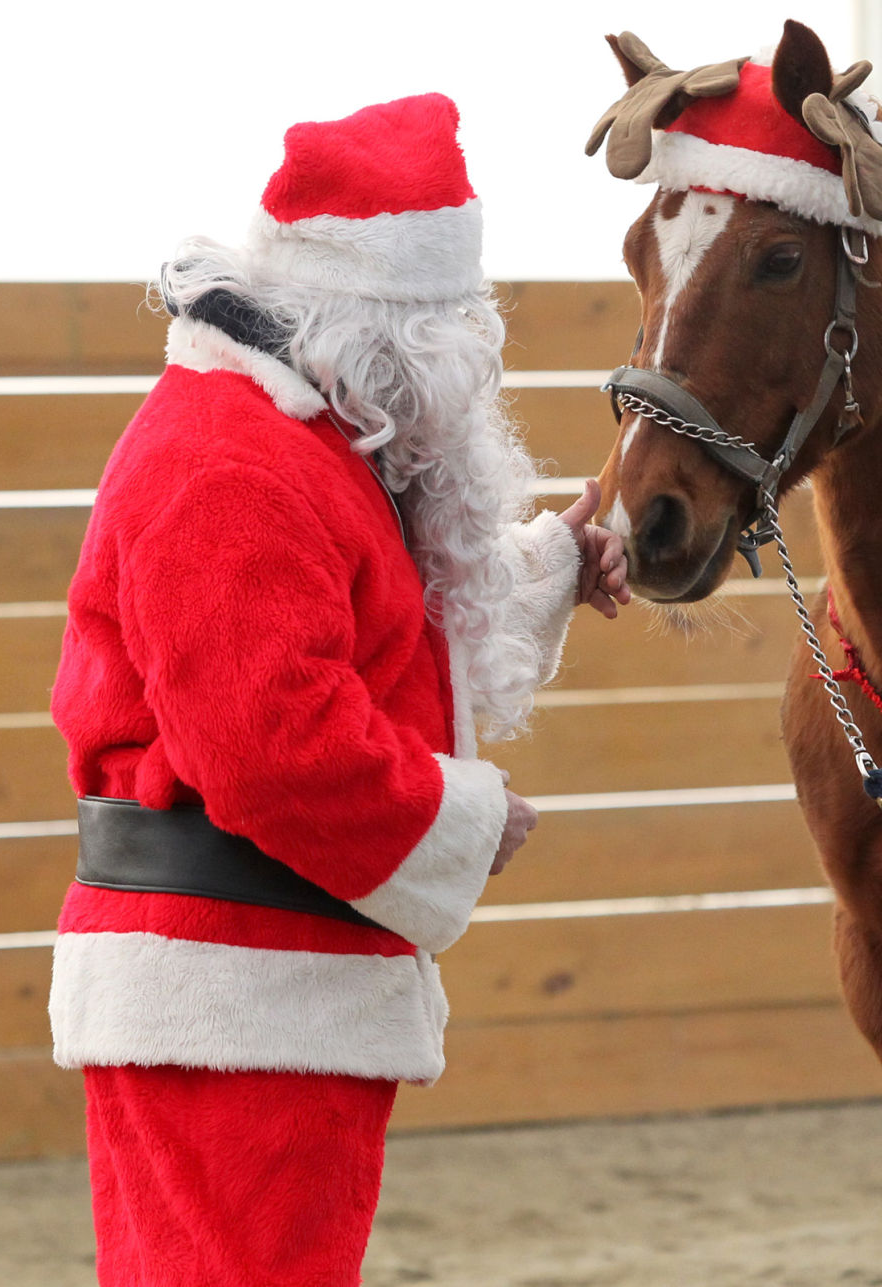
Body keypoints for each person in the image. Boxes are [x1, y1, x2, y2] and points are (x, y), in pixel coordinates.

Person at [46, 93, 629, 1287]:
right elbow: (271, 744)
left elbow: (374, 641)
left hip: (259, 985)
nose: (457, 396)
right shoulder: (229, 464)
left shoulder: (291, 440)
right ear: (387, 339)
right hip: (230, 992)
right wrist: (461, 818)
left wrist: (555, 563)